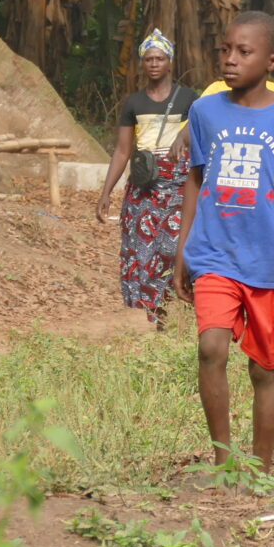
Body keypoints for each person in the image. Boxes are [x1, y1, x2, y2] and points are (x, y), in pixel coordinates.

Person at [174, 11, 274, 469]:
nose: (230, 59)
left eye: (244, 52)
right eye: (225, 50)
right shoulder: (204, 111)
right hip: (213, 252)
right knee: (210, 348)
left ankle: (261, 466)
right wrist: (182, 250)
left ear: (271, 61)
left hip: (271, 260)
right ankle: (224, 461)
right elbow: (195, 180)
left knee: (265, 369)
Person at [97, 29, 197, 330]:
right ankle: (161, 319)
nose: (154, 63)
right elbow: (123, 150)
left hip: (179, 187)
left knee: (174, 250)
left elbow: (202, 131)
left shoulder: (189, 98)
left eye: (160, 58)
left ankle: (185, 309)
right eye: (149, 58)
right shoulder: (134, 103)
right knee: (145, 253)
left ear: (170, 62)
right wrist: (106, 193)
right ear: (143, 63)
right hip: (144, 191)